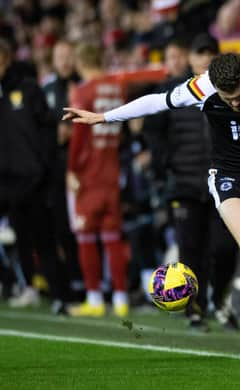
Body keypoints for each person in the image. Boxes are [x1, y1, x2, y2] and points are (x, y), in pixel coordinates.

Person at [63, 52, 240, 367]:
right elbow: (155, 102)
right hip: (231, 179)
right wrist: (103, 117)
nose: (236, 104)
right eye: (228, 99)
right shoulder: (202, 87)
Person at [142, 35, 240, 332]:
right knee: (190, 249)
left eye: (210, 54)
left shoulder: (231, 90)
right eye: (199, 54)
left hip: (223, 184)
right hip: (184, 184)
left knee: (224, 248)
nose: (203, 59)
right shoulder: (175, 91)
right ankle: (194, 309)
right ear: (190, 58)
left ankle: (221, 301)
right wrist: (164, 166)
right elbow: (152, 131)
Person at [0, 38, 69, 314]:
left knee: (44, 239)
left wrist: (44, 168)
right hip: (6, 181)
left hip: (36, 179)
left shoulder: (28, 88)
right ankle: (23, 285)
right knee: (21, 238)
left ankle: (60, 296)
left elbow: (48, 129)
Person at [66, 43, 130, 318]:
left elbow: (79, 135)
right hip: (112, 169)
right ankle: (121, 298)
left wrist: (71, 169)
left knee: (86, 236)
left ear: (81, 61)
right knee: (113, 236)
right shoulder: (117, 88)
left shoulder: (84, 90)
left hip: (89, 173)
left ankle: (94, 298)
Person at [42, 39, 83, 301]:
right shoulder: (46, 91)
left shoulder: (85, 85)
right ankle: (68, 286)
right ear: (53, 60)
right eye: (61, 55)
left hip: (84, 169)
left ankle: (90, 285)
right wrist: (53, 137)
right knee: (62, 231)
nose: (65, 60)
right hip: (57, 171)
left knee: (85, 230)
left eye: (69, 54)